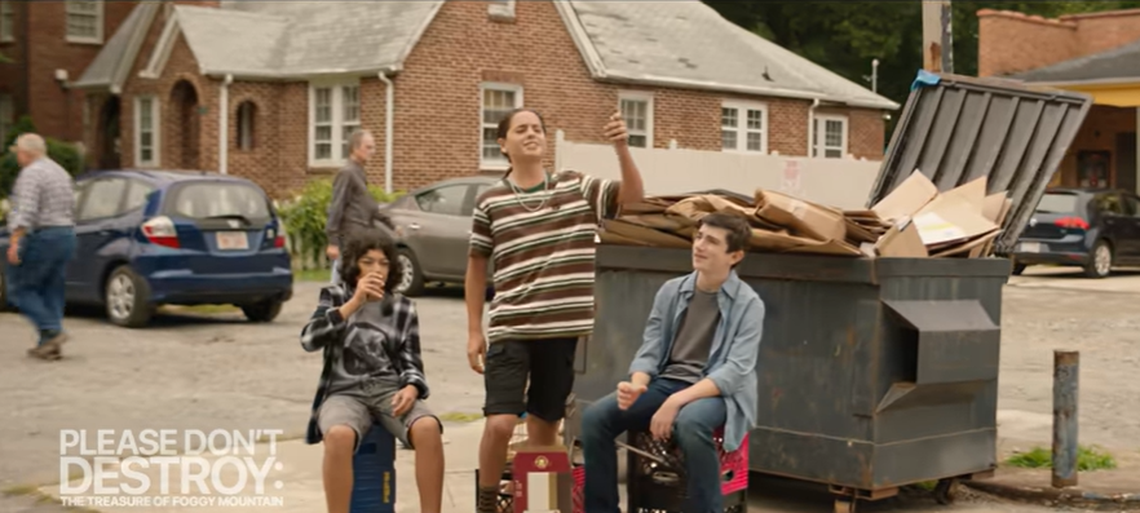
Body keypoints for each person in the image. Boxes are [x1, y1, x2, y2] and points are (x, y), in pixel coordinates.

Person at [465, 107, 646, 513]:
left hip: (560, 332)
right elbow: (476, 268)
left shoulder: (576, 187)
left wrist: (621, 149)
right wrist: (474, 330)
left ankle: (544, 505)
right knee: (500, 423)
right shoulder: (490, 200)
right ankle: (487, 503)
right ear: (503, 144)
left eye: (537, 129)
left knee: (545, 431)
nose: (531, 134)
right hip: (511, 328)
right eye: (521, 129)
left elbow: (633, 199)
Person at [580, 212, 764, 513]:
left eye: (712, 241)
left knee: (690, 422)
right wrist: (638, 385)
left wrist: (677, 401)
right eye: (699, 236)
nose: (700, 245)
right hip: (667, 382)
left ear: (735, 255)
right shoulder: (672, 291)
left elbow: (734, 372)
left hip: (717, 392)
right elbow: (650, 348)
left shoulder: (749, 304)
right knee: (595, 418)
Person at [300, 227, 444, 513]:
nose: (376, 269)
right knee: (339, 434)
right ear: (354, 264)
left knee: (428, 428)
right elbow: (309, 339)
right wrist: (354, 303)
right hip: (343, 391)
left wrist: (411, 387)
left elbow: (412, 362)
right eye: (368, 261)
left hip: (388, 390)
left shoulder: (403, 308)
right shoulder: (334, 296)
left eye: (383, 262)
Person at [6, 133, 78, 361]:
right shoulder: (59, 171)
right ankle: (48, 344)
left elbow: (25, 210)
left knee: (21, 288)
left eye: (17, 152)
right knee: (51, 288)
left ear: (26, 153)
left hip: (44, 235)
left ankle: (53, 331)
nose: (17, 156)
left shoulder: (31, 174)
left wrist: (15, 240)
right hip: (65, 233)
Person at [326, 129, 394, 285]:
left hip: (360, 236)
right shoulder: (347, 173)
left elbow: (367, 206)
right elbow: (336, 207)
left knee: (352, 282)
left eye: (373, 148)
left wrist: (390, 224)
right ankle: (332, 307)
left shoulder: (359, 172)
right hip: (349, 237)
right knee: (342, 280)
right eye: (368, 147)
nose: (372, 152)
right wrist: (333, 242)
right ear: (355, 148)